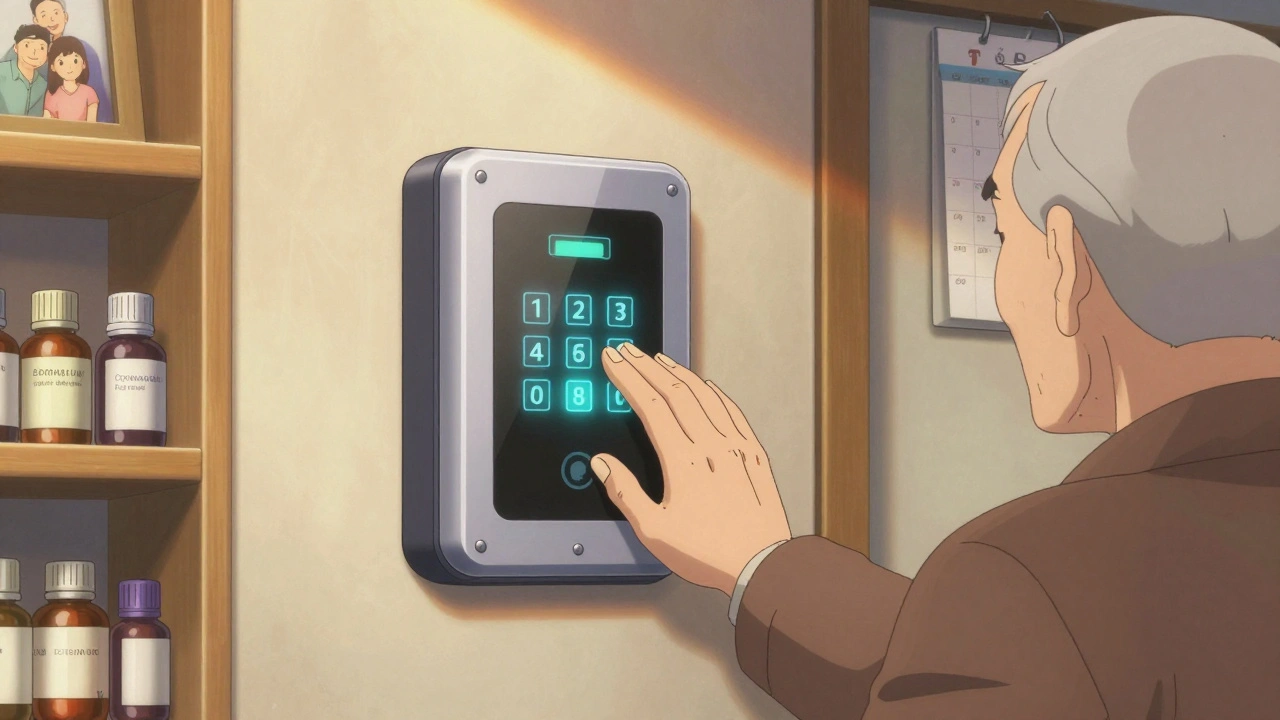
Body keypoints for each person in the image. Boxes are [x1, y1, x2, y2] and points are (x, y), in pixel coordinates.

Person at [593, 15, 1278, 720]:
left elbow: (1034, 641)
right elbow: (1002, 656)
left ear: (1068, 264)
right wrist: (760, 561)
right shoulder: (1047, 599)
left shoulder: (1035, 578)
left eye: (1007, 232)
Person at [0, 0, 113, 122]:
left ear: (65, 17)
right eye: (44, 15)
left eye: (56, 13)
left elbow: (102, 107)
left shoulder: (82, 50)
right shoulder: (20, 51)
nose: (51, 19)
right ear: (35, 20)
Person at [43, 35, 97, 121]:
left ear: (83, 64)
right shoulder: (52, 93)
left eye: (75, 61)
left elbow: (92, 124)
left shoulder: (89, 92)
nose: (69, 67)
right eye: (61, 63)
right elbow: (47, 122)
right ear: (52, 67)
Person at [0, 24, 49, 116]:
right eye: (27, 45)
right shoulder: (2, 72)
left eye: (41, 47)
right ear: (16, 47)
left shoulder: (42, 84)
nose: (34, 52)